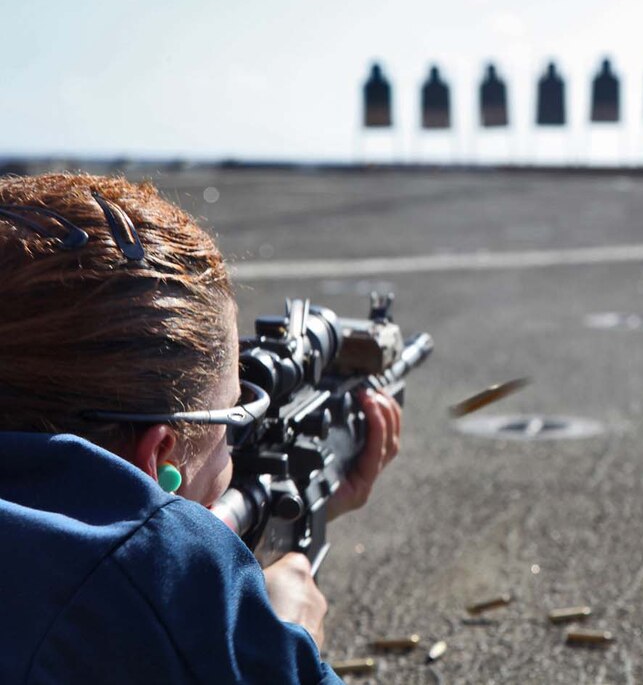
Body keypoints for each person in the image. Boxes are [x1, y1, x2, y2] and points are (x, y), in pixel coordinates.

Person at [0, 173, 402, 683]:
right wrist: (281, 643)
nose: (237, 448)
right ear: (159, 455)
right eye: (234, 416)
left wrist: (317, 505)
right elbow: (143, 567)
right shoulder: (141, 576)